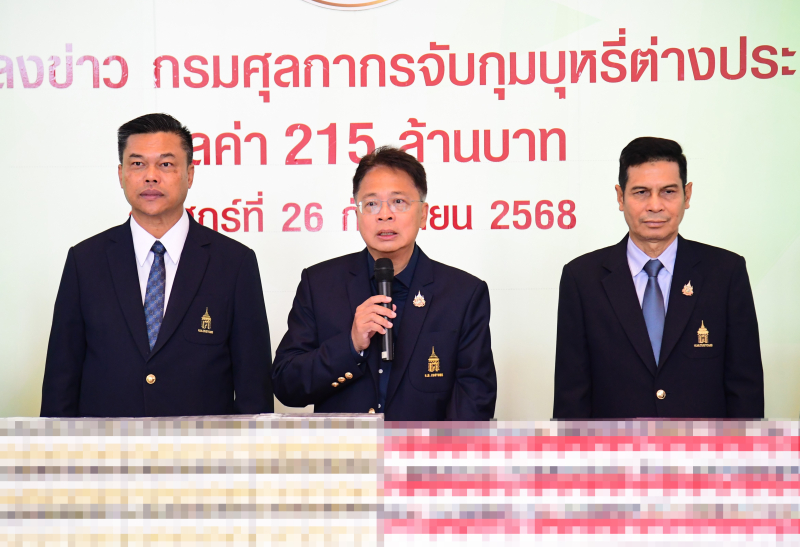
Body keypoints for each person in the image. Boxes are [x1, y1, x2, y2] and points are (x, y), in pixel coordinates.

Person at [41, 113, 273, 417]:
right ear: (121, 174)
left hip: (202, 446)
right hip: (106, 446)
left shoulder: (234, 263)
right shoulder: (85, 261)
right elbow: (61, 381)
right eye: (138, 164)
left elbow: (254, 389)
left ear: (189, 174)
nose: (151, 176)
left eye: (165, 164)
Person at [272, 146, 496, 420]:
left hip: (424, 448)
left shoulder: (463, 294)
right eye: (371, 204)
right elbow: (286, 385)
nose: (385, 215)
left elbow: (475, 401)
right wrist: (350, 345)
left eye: (398, 202)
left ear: (423, 214)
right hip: (344, 448)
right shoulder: (319, 285)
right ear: (356, 214)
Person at [553, 137, 764, 419]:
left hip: (703, 447)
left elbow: (745, 389)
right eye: (641, 192)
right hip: (614, 447)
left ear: (687, 195)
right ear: (620, 197)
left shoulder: (726, 273)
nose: (655, 206)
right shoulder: (582, 278)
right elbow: (571, 396)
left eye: (668, 191)